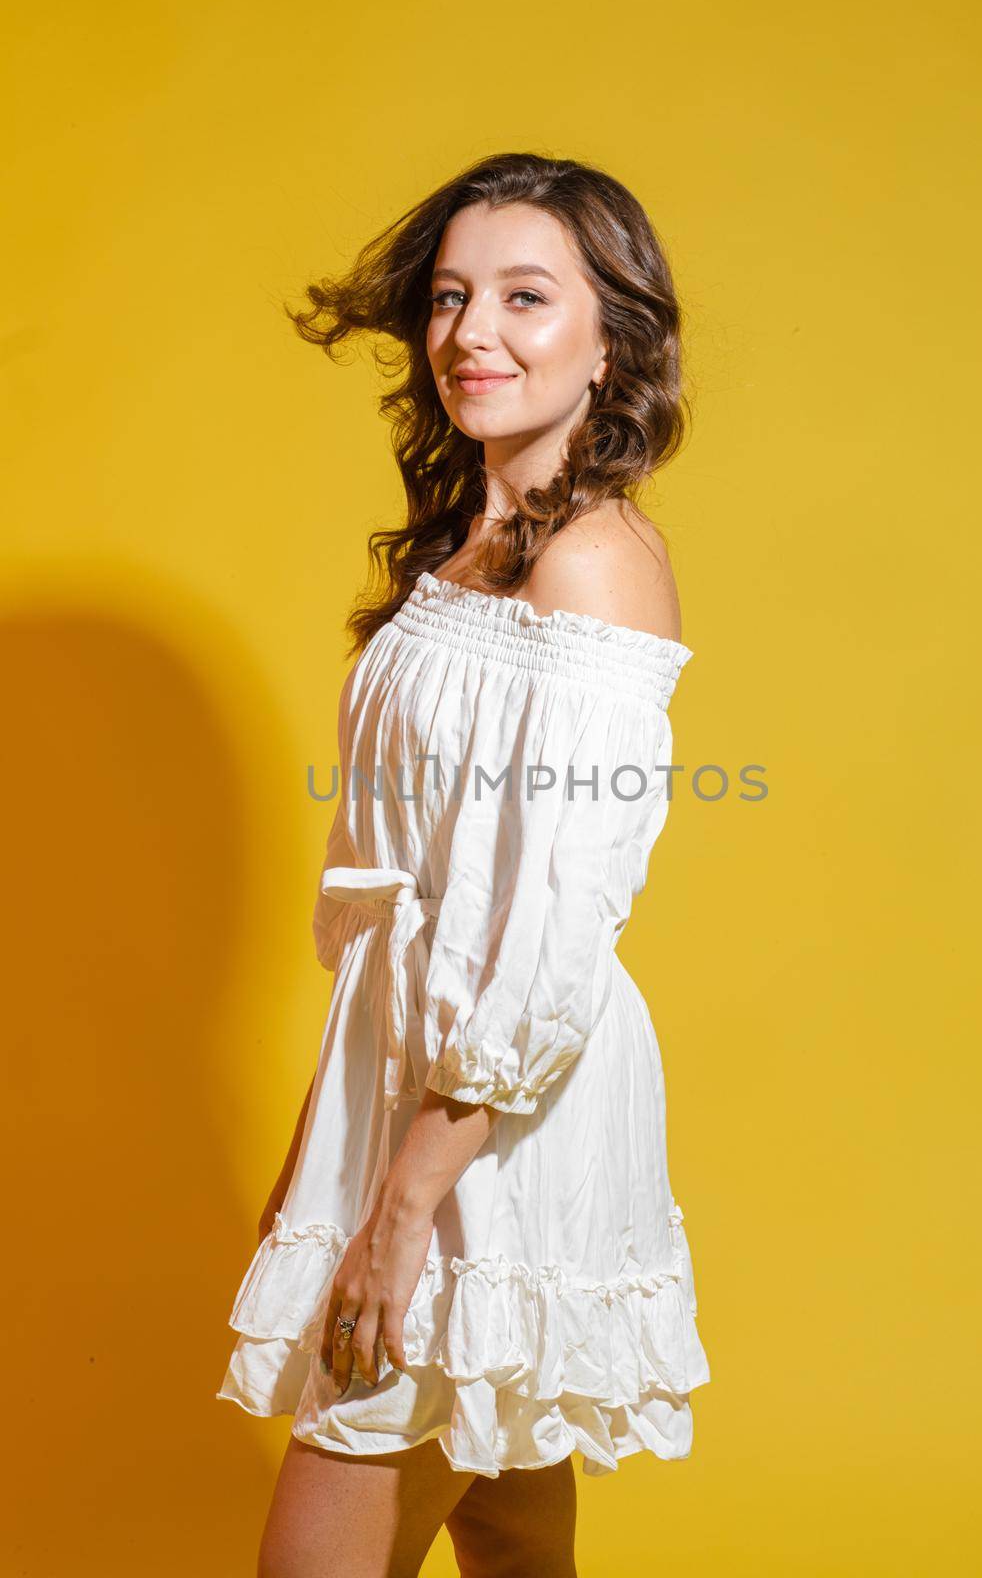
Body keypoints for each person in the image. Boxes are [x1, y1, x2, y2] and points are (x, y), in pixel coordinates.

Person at [216, 151, 712, 1578]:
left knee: (330, 1530)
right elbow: (397, 889)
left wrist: (406, 1201)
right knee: (504, 1511)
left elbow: (551, 934)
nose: (470, 335)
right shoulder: (469, 542)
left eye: (524, 296)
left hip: (502, 1101)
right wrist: (333, 1140)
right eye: (448, 296)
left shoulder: (597, 565)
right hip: (412, 1075)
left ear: (612, 335)